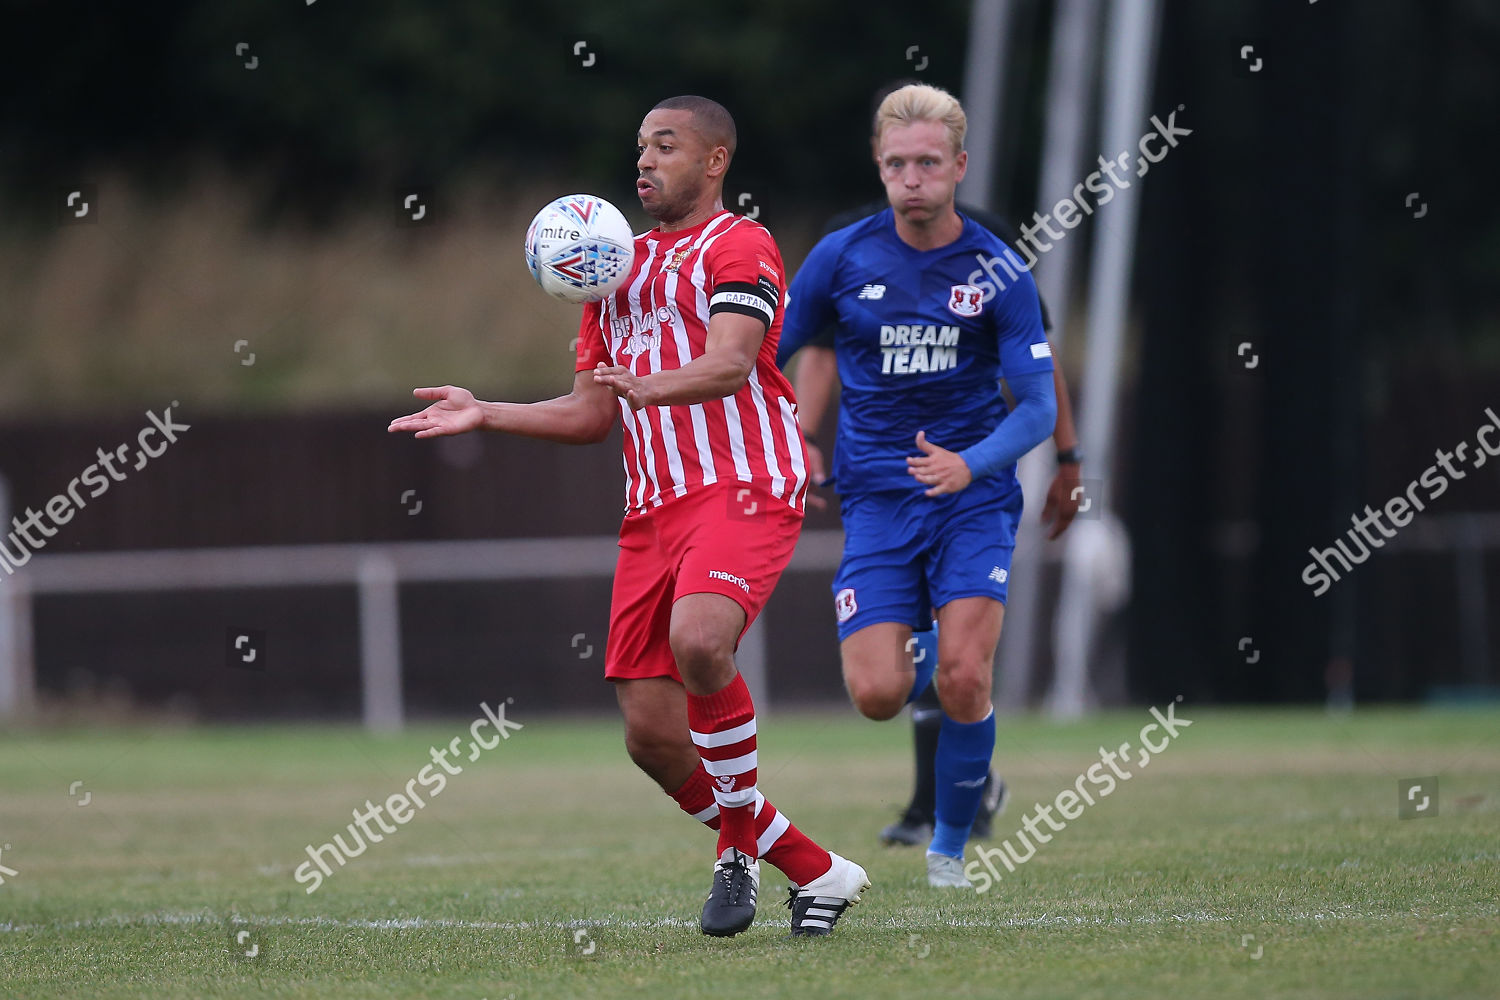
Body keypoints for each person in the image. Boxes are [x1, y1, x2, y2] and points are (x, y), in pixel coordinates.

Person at [389, 95, 868, 937]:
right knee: (650, 735)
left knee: (699, 642)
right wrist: (486, 410)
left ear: (714, 161)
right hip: (654, 510)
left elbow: (728, 363)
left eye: (667, 145)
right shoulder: (608, 268)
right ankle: (815, 870)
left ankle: (733, 850)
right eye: (640, 147)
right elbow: (587, 415)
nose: (644, 161)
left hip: (746, 483)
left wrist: (654, 383)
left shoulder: (741, 243)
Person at [777, 83, 1057, 888]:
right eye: (897, 163)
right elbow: (768, 359)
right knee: (875, 692)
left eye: (929, 163)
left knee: (967, 675)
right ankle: (941, 657)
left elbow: (1037, 402)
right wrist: (791, 440)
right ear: (879, 164)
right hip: (876, 498)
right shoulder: (841, 256)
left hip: (972, 498)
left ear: (958, 166)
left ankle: (948, 850)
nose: (912, 178)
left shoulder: (997, 271)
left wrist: (973, 463)